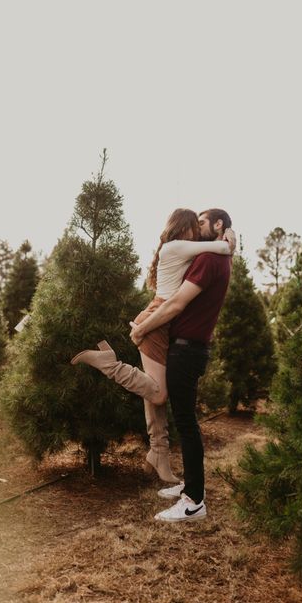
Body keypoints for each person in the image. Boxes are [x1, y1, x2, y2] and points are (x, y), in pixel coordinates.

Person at [71, 208, 235, 486]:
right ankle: (108, 362)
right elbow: (222, 246)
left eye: (202, 223)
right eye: (195, 224)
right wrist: (232, 237)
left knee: (151, 388)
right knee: (158, 394)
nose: (197, 229)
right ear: (184, 228)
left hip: (160, 319)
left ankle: (158, 453)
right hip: (158, 319)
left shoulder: (181, 248)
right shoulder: (178, 246)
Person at [129, 208, 233, 522]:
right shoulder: (207, 256)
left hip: (187, 351)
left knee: (186, 424)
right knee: (184, 420)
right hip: (186, 347)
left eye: (202, 221)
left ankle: (194, 501)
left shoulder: (209, 259)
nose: (196, 226)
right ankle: (190, 484)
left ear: (217, 225)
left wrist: (144, 327)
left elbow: (175, 303)